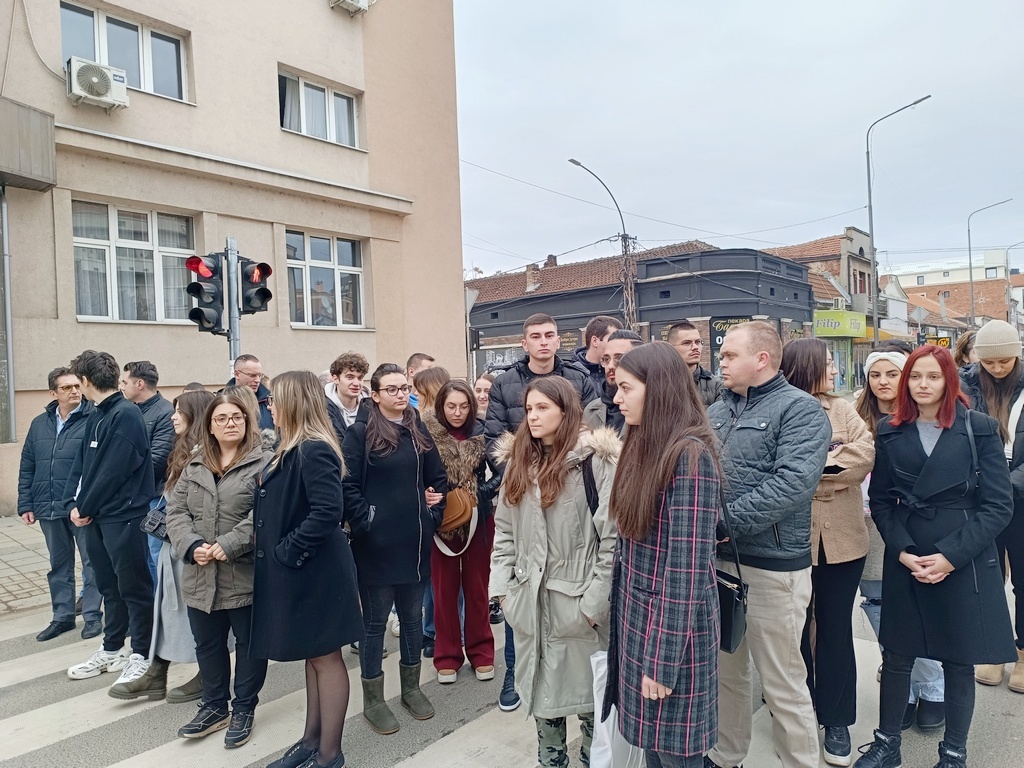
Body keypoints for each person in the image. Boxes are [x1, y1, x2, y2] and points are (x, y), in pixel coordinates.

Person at [858, 345, 1016, 768]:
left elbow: (998, 506)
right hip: (907, 553)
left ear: (950, 381)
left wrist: (949, 557)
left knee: (958, 661)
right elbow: (882, 501)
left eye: (932, 376)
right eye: (915, 376)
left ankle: (953, 752)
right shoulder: (890, 430)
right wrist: (904, 550)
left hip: (961, 557)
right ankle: (887, 743)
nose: (922, 384)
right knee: (896, 656)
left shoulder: (978, 427)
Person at [705, 322, 831, 768]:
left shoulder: (800, 411)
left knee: (782, 682)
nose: (719, 360)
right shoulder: (716, 411)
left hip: (773, 567)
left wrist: (720, 524)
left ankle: (800, 761)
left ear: (761, 359)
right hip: (719, 564)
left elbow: (792, 484)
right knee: (726, 675)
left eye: (729, 355)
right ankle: (726, 756)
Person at [601, 342, 721, 768]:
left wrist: (662, 663)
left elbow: (685, 575)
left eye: (627, 388)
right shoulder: (644, 442)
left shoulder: (689, 458)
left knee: (676, 755)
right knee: (653, 749)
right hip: (640, 624)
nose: (616, 397)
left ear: (659, 390)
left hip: (672, 637)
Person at [490, 376, 619, 768]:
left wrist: (593, 603)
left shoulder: (595, 462)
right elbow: (504, 532)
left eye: (543, 408)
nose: (533, 416)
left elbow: (612, 541)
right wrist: (504, 593)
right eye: (529, 409)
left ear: (566, 411)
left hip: (578, 604)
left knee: (591, 703)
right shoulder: (519, 462)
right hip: (529, 601)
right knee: (543, 701)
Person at [484, 312, 599, 712]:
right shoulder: (504, 383)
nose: (545, 342)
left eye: (551, 335)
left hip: (574, 566)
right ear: (525, 341)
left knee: (582, 688)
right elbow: (494, 436)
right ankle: (513, 683)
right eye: (536, 336)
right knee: (525, 622)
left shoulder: (579, 377)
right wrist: (522, 480)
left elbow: (589, 427)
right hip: (526, 486)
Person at [252, 371, 363, 768]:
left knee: (326, 658)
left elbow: (328, 512)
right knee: (314, 656)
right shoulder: (290, 446)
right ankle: (310, 741)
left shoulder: (314, 448)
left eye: (274, 399)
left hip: (316, 570)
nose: (269, 405)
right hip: (303, 569)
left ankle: (329, 754)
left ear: (293, 403)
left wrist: (287, 551)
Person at [782, 338, 876, 767]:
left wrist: (812, 471)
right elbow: (777, 464)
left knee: (836, 628)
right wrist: (829, 460)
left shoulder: (843, 409)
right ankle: (798, 711)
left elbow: (863, 456)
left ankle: (837, 718)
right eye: (828, 364)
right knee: (795, 629)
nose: (836, 371)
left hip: (843, 540)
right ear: (806, 366)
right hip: (791, 539)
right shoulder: (778, 406)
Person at [342, 363, 447, 735]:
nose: (400, 394)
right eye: (391, 389)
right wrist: (367, 521)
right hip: (376, 546)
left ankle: (411, 689)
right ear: (375, 395)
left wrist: (433, 511)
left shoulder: (417, 427)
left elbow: (438, 477)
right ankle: (373, 699)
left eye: (404, 388)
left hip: (415, 542)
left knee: (413, 618)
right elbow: (348, 486)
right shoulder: (360, 434)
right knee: (373, 625)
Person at [165, 388, 271, 747]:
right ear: (209, 425)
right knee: (207, 645)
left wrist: (228, 544)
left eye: (236, 417)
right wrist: (191, 545)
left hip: (242, 573)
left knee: (248, 644)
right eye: (221, 418)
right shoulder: (195, 463)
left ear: (247, 420)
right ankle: (214, 706)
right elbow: (175, 512)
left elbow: (266, 516)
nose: (230, 424)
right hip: (199, 573)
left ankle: (243, 707)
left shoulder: (264, 462)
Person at [857, 349, 948, 732]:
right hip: (867, 526)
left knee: (920, 606)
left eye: (892, 373)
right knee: (879, 606)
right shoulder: (856, 416)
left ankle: (932, 687)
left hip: (916, 526)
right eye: (875, 374)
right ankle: (906, 687)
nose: (883, 381)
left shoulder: (928, 420)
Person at [108, 389, 215, 705]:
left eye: (179, 411)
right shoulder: (184, 449)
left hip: (192, 551)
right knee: (168, 612)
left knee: (196, 618)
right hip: (176, 549)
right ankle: (157, 672)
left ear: (194, 415)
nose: (172, 416)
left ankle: (207, 675)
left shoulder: (203, 455)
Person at [63, 350, 155, 690]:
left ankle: (142, 654)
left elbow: (114, 471)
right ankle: (113, 647)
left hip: (125, 516)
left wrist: (84, 507)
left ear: (86, 381)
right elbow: (84, 467)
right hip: (99, 516)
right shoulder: (96, 414)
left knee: (134, 587)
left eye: (78, 382)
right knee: (109, 586)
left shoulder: (126, 414)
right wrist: (76, 502)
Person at [958, 319, 1024, 692]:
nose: (998, 369)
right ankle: (993, 649)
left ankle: (1023, 650)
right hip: (978, 499)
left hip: (1020, 497)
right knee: (985, 577)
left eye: (1005, 361)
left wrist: (1003, 486)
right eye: (990, 362)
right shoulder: (964, 384)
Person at [423, 379, 501, 684]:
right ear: (441, 405)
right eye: (451, 406)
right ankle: (447, 656)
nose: (457, 412)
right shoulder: (425, 436)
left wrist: (484, 491)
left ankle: (482, 652)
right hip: (441, 520)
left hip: (478, 519)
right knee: (443, 592)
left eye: (463, 405)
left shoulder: (484, 432)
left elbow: (504, 468)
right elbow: (417, 475)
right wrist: (427, 495)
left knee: (478, 588)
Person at [17, 367, 102, 642]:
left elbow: (98, 467)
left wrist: (87, 503)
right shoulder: (39, 424)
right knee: (59, 565)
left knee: (91, 563)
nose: (74, 391)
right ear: (53, 393)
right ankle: (62, 617)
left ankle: (92, 617)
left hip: (81, 508)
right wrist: (25, 503)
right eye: (66, 388)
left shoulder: (94, 419)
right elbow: (28, 465)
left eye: (77, 386)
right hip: (47, 505)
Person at [120, 361, 176, 589]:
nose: (120, 386)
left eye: (124, 382)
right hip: (133, 497)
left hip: (153, 497)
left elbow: (156, 460)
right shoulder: (129, 410)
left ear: (140, 383)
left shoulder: (164, 412)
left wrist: (119, 477)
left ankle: (156, 609)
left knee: (154, 555)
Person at [411, 365, 451, 658]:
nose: (413, 394)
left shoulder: (424, 422)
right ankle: (441, 629)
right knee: (442, 573)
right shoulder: (421, 421)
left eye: (416, 389)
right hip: (439, 502)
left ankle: (430, 631)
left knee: (433, 573)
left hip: (437, 503)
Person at [583, 329, 642, 436]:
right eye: (606, 359)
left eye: (619, 358)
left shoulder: (649, 410)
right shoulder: (591, 411)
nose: (610, 366)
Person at [667, 321, 723, 407]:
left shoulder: (717, 385)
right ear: (670, 348)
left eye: (698, 342)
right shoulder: (658, 383)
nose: (695, 347)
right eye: (687, 343)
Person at [572, 315, 624, 392]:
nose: (618, 345)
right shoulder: (570, 374)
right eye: (612, 339)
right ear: (595, 341)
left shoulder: (622, 371)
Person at [226, 354, 273, 429]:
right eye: (252, 375)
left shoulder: (270, 402)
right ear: (237, 374)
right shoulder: (221, 400)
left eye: (259, 375)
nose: (257, 380)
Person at [325, 351, 369, 429]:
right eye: (350, 377)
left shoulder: (373, 407)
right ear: (335, 379)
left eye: (360, 378)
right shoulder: (322, 408)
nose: (356, 383)